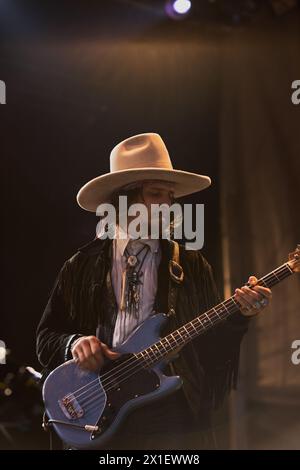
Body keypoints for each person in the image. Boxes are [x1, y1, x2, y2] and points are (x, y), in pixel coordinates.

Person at [36, 133, 272, 449]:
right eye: (156, 194)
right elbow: (46, 338)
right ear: (124, 199)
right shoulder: (80, 265)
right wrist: (75, 343)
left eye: (169, 196)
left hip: (169, 413)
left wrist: (241, 316)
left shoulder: (191, 264)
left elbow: (212, 347)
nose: (167, 205)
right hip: (97, 410)